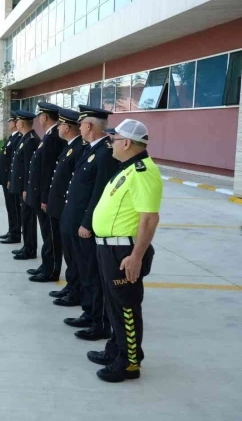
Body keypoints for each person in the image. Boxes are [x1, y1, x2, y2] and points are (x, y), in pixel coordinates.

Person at [87, 118, 161, 383]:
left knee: (126, 306)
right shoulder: (126, 168)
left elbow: (149, 218)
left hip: (124, 252)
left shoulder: (142, 171)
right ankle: (116, 350)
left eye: (113, 140)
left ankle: (129, 363)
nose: (110, 144)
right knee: (113, 304)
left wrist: (136, 256)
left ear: (127, 142)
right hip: (109, 248)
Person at [61, 105, 119, 341]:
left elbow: (98, 194)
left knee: (93, 274)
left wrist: (87, 223)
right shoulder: (91, 149)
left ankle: (99, 323)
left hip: (86, 225)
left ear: (89, 126)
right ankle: (88, 312)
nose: (80, 127)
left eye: (83, 123)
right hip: (76, 221)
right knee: (85, 271)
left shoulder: (105, 153)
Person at [46, 109, 85, 306]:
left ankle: (76, 290)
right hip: (62, 207)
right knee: (69, 252)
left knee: (73, 253)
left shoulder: (78, 148)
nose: (58, 128)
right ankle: (71, 286)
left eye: (61, 125)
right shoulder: (70, 146)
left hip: (68, 208)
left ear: (67, 128)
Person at [26, 102, 66, 282]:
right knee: (46, 233)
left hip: (47, 197)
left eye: (40, 116)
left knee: (51, 235)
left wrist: (45, 197)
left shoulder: (54, 137)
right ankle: (46, 265)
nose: (39, 120)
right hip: (41, 194)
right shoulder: (49, 136)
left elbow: (49, 171)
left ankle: (51, 270)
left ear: (44, 117)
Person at [7, 111, 39, 259]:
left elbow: (29, 168)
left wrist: (26, 188)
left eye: (17, 121)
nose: (16, 123)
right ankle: (26, 246)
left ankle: (30, 249)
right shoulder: (25, 138)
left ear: (21, 123)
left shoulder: (31, 140)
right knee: (25, 217)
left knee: (28, 218)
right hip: (21, 187)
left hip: (26, 188)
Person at [0, 112, 22, 243]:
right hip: (6, 178)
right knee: (10, 206)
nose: (8, 123)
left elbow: (14, 162)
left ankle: (16, 233)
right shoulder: (12, 137)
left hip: (10, 179)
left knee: (14, 207)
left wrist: (10, 179)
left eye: (10, 121)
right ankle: (12, 230)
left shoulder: (18, 138)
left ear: (16, 123)